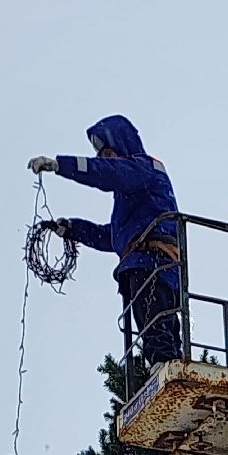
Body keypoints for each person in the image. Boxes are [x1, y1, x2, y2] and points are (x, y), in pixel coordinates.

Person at [29, 115, 182, 369]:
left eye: (106, 152)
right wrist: (73, 229)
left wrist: (60, 165)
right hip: (145, 262)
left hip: (154, 261)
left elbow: (108, 173)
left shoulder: (143, 168)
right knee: (153, 322)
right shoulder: (133, 192)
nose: (103, 159)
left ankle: (165, 364)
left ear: (121, 144)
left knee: (156, 321)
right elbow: (113, 236)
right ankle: (165, 363)